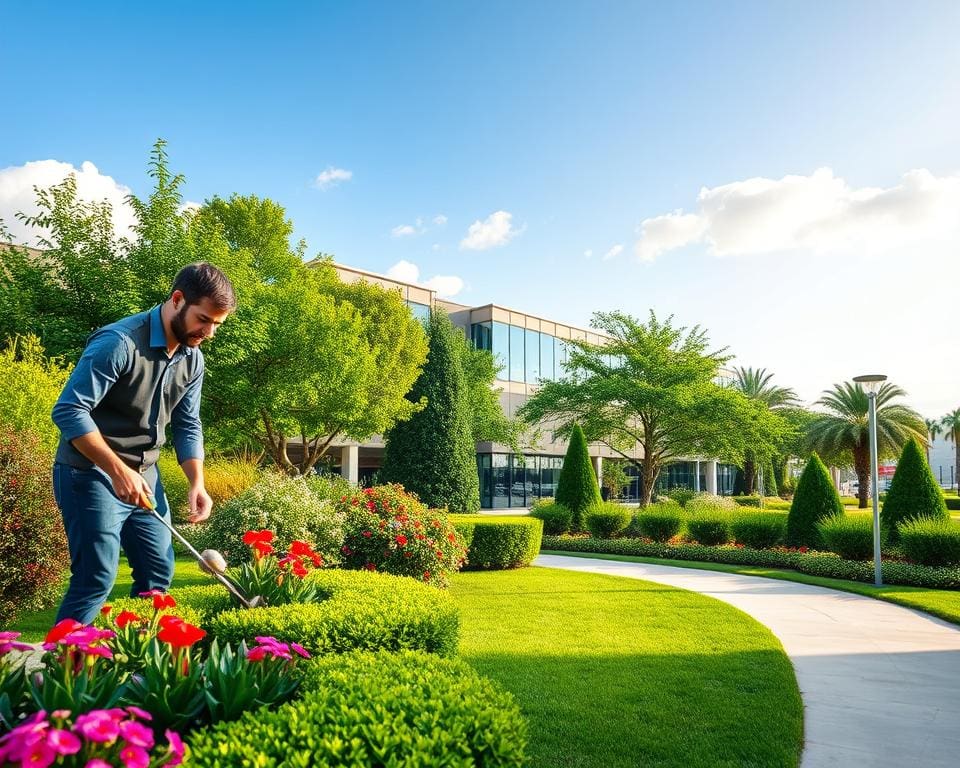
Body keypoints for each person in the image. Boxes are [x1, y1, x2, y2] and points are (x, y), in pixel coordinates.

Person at [51, 262, 236, 624]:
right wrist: (118, 471)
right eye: (204, 320)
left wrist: (196, 483)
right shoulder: (118, 343)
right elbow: (70, 410)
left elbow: (187, 424)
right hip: (89, 474)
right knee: (96, 577)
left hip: (146, 476)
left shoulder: (192, 359)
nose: (209, 332)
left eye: (217, 324)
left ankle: (138, 665)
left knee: (157, 574)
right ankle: (62, 672)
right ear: (177, 299)